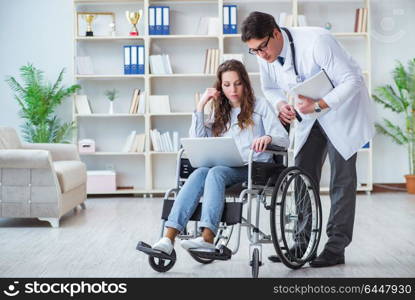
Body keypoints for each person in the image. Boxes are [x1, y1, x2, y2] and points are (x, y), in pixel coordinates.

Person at [241, 12, 374, 267]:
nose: (261, 55)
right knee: (301, 175)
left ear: (276, 33)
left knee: (341, 180)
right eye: (254, 51)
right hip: (308, 115)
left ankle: (336, 248)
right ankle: (303, 244)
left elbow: (353, 80)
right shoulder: (264, 55)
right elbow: (269, 88)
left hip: (341, 111)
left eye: (262, 48)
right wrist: (281, 105)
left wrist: (320, 104)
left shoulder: (318, 41)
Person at [152, 59, 289, 255]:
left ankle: (208, 237)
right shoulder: (220, 110)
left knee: (215, 173)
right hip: (224, 166)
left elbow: (284, 139)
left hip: (254, 167)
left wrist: (268, 137)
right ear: (220, 87)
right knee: (200, 173)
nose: (232, 90)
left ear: (245, 83)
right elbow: (197, 139)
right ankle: (168, 237)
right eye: (226, 85)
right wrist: (201, 105)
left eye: (237, 83)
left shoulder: (261, 106)